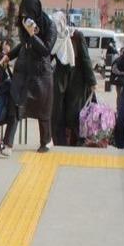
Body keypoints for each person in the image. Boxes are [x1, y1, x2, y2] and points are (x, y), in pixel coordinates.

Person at [1, 0, 57, 153]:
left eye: (28, 13)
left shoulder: (49, 26)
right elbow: (23, 45)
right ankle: (7, 144)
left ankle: (46, 140)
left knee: (43, 109)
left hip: (41, 75)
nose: (25, 16)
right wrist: (9, 55)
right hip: (23, 72)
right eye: (23, 13)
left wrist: (33, 34)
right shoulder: (23, 23)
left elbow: (46, 50)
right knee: (16, 105)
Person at [58, 30, 97, 145]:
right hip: (75, 81)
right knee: (77, 111)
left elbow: (85, 59)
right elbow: (85, 58)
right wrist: (92, 82)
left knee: (73, 112)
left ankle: (75, 139)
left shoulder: (65, 35)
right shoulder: (75, 36)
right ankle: (78, 139)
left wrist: (92, 81)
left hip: (70, 80)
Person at [49, 11, 75, 146]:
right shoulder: (53, 38)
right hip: (56, 82)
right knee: (55, 115)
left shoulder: (70, 36)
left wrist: (92, 82)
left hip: (67, 82)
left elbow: (81, 60)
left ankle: (63, 142)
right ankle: (57, 141)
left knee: (62, 115)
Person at [0, 38, 16, 157]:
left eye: (7, 45)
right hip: (6, 89)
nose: (5, 47)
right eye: (4, 45)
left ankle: (6, 144)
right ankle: (6, 144)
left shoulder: (13, 58)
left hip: (11, 90)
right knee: (12, 116)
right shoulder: (2, 57)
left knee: (12, 116)